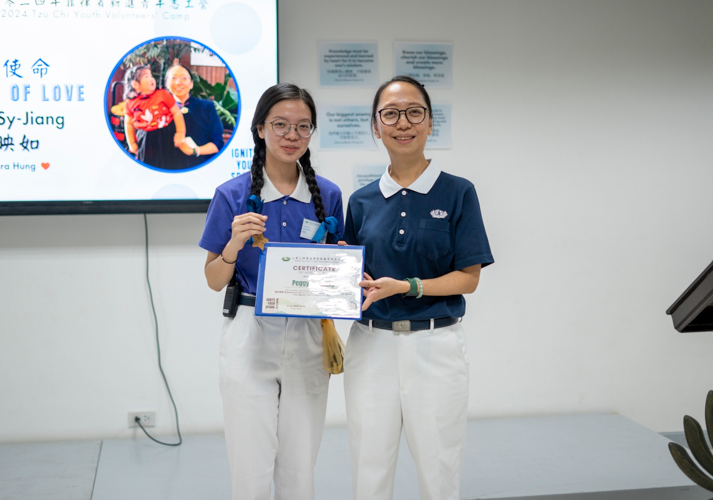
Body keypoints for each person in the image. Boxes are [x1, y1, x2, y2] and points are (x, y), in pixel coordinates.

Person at [342, 75, 494, 500]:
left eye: (414, 112)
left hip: (436, 347)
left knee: (439, 470)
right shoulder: (361, 201)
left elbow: (469, 278)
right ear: (376, 126)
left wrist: (407, 286)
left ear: (430, 123)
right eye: (389, 114)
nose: (402, 123)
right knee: (368, 468)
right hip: (370, 347)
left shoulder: (459, 192)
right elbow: (357, 281)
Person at [199, 83, 344, 500]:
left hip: (309, 335)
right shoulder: (232, 195)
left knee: (300, 469)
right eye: (280, 124)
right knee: (250, 469)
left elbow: (336, 272)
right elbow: (212, 279)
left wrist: (337, 266)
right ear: (260, 129)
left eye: (302, 126)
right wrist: (232, 245)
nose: (291, 135)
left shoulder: (328, 196)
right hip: (249, 332)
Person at [123, 65, 186, 169]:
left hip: (166, 134)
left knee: (169, 162)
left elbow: (177, 113)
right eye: (146, 76)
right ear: (136, 84)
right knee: (147, 164)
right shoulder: (131, 103)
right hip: (146, 137)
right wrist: (131, 143)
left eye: (151, 75)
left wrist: (180, 133)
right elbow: (128, 124)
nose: (151, 78)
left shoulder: (163, 94)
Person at [165, 64, 226, 170]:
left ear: (191, 84)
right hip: (169, 167)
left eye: (184, 78)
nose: (178, 82)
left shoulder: (207, 107)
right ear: (167, 83)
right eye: (174, 78)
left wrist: (195, 150)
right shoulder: (160, 110)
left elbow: (217, 143)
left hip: (201, 167)